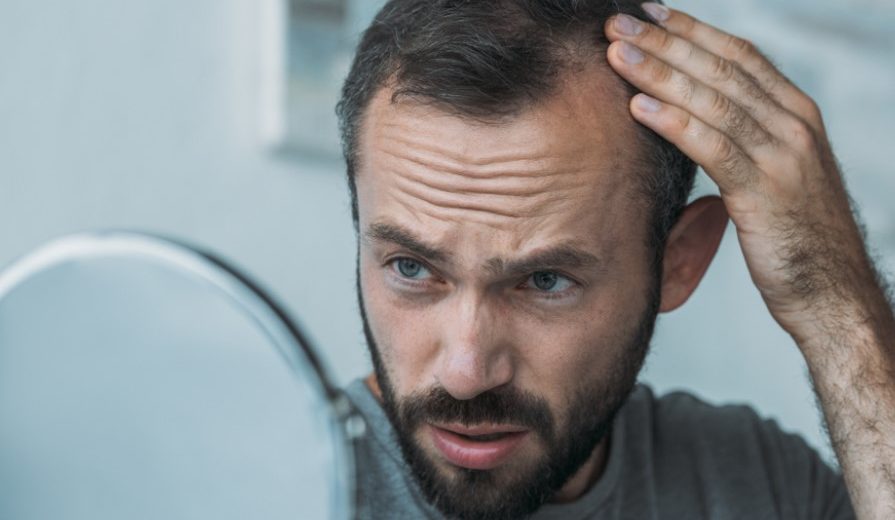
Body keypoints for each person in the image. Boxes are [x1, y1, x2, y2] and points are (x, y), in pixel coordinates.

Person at [334, 1, 894, 518]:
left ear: (679, 261)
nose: (466, 374)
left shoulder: (761, 485)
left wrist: (836, 307)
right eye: (411, 267)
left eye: (545, 280)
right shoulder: (272, 483)